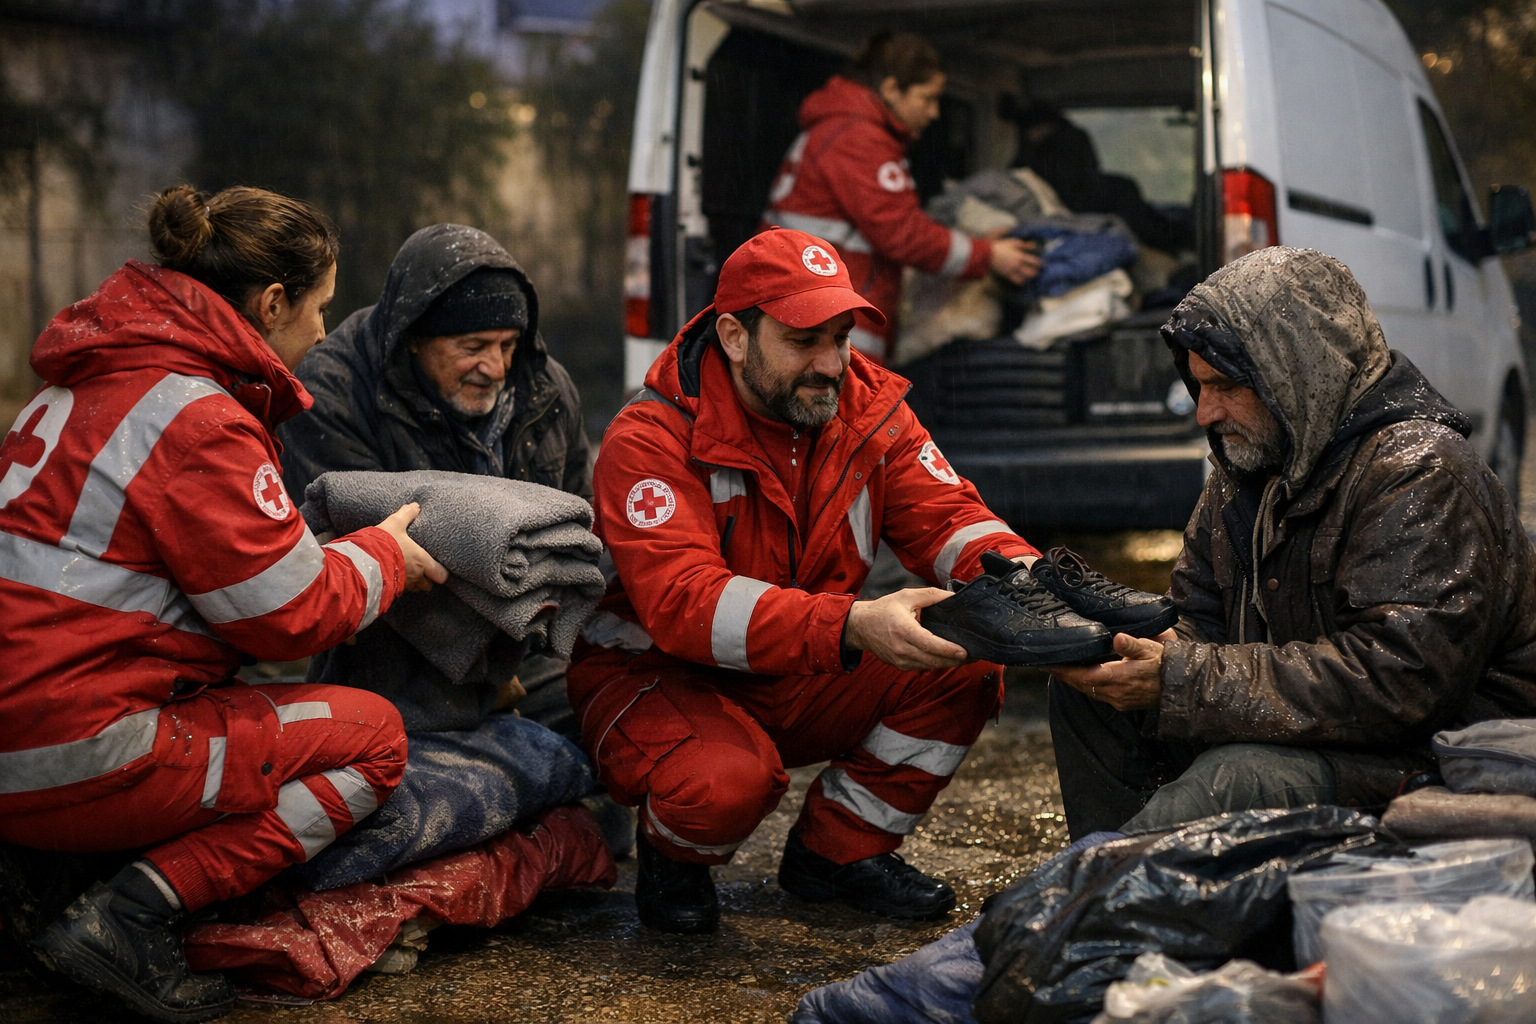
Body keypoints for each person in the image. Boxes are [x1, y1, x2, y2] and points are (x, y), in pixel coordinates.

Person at [569, 227, 1111, 935]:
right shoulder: (651, 437)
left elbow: (948, 518)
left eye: (842, 337)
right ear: (734, 336)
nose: (831, 363)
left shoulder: (866, 406)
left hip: (799, 661)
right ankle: (676, 858)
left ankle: (837, 856)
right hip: (663, 675)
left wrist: (1041, 590)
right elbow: (685, 607)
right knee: (724, 783)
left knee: (964, 663)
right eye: (803, 341)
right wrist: (853, 625)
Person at [0, 185, 446, 1021]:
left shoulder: (89, 379)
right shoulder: (196, 414)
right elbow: (291, 616)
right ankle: (133, 914)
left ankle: (41, 871)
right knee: (374, 740)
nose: (323, 331)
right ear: (271, 304)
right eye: (317, 307)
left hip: (21, 729)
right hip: (73, 746)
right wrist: (386, 553)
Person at [1047, 246, 1536, 839]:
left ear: (1298, 372)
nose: (1204, 412)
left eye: (1225, 385)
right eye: (1198, 386)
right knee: (1094, 695)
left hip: (1439, 754)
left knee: (1238, 779)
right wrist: (1136, 648)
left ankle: (1097, 899)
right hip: (1311, 724)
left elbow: (1399, 682)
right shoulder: (1247, 470)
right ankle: (1130, 896)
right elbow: (1199, 620)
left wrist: (1182, 677)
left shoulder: (1420, 470)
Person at [279, 225, 591, 736]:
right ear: (415, 339)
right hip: (394, 666)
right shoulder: (331, 392)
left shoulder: (545, 387)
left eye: (508, 345)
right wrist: (485, 681)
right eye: (474, 346)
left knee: (623, 728)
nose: (495, 368)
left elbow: (581, 528)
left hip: (533, 651)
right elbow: (354, 559)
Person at [763, 31, 1041, 363]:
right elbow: (903, 234)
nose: (935, 112)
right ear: (892, 90)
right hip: (828, 329)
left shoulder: (839, 130)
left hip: (814, 321)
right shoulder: (860, 138)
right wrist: (988, 255)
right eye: (928, 98)